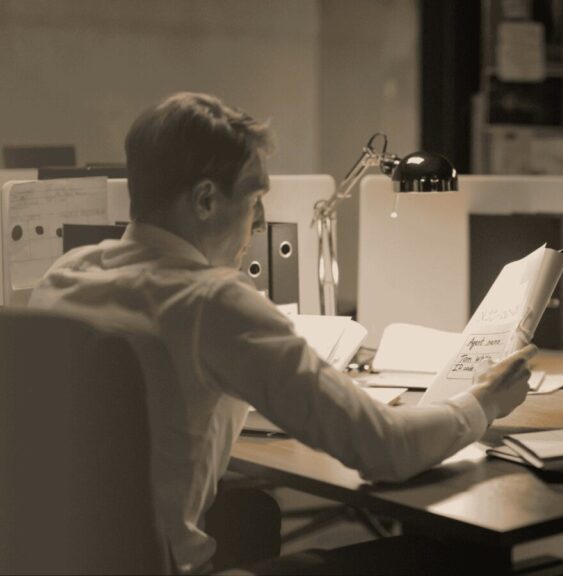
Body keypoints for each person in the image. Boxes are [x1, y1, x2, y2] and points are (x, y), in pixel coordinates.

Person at [29, 92, 536, 574]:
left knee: (251, 514)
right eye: (253, 199)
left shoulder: (67, 275)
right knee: (462, 561)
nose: (256, 224)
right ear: (206, 200)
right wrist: (485, 402)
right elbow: (385, 450)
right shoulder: (212, 301)